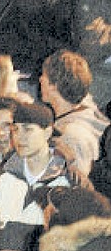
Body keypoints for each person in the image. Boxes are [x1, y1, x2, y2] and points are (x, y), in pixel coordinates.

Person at [0, 100, 70, 251]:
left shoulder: (68, 181)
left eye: (27, 129)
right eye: (15, 129)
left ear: (48, 132)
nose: (19, 137)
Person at [39, 49, 108, 178]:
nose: (40, 79)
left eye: (44, 75)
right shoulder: (87, 109)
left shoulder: (71, 136)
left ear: (55, 85)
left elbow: (78, 187)